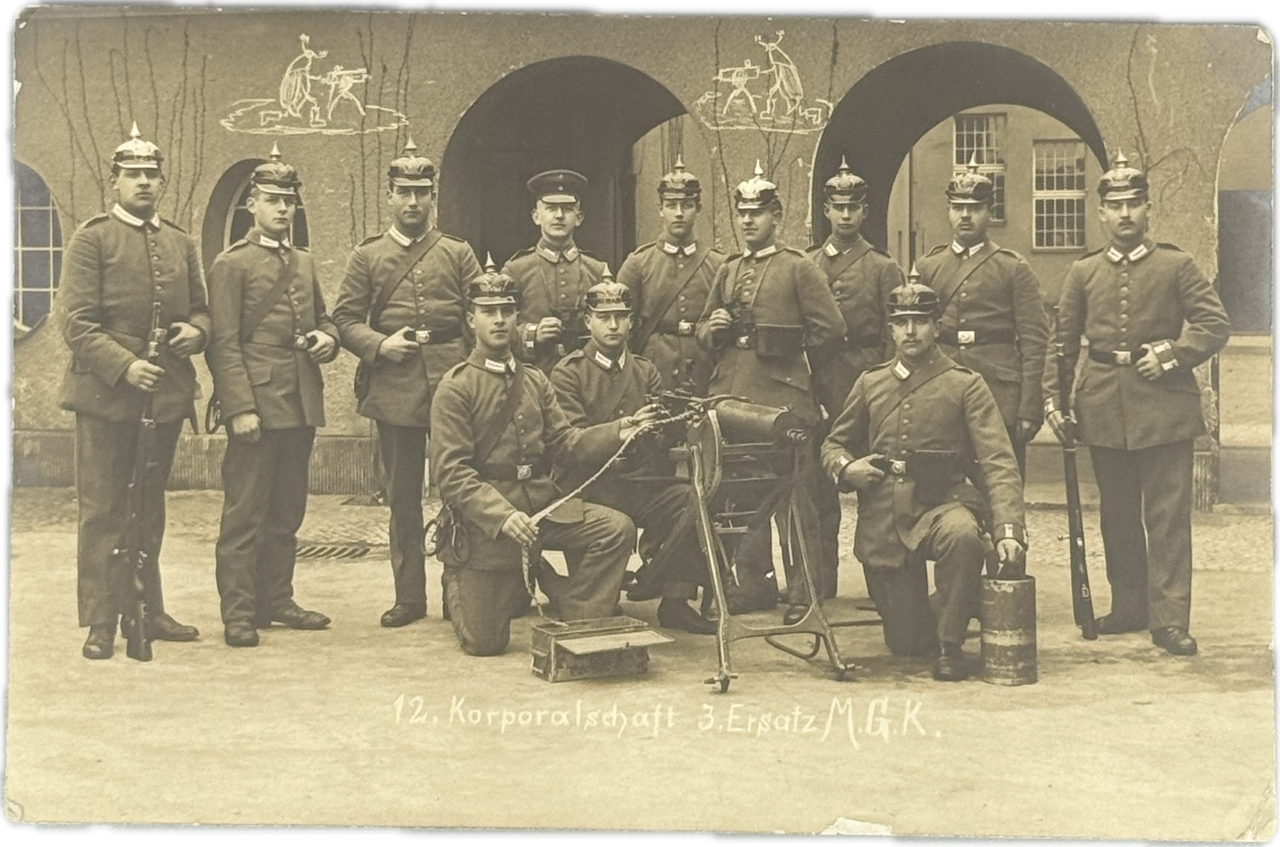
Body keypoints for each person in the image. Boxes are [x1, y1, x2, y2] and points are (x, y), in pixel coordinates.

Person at [1044, 151, 1230, 657]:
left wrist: (1173, 354)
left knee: (1167, 517)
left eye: (1134, 204)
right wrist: (1054, 401)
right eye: (1115, 206)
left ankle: (1169, 619)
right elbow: (1062, 344)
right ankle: (1129, 606)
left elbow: (1215, 324)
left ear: (1148, 210)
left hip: (1166, 406)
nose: (1125, 214)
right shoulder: (1083, 272)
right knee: (1117, 515)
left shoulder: (1177, 265)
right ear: (1100, 213)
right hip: (1103, 403)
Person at [429, 268, 651, 657]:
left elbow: (566, 444)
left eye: (507, 310)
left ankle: (580, 614)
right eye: (488, 311)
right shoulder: (456, 386)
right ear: (471, 319)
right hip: (491, 523)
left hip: (543, 506)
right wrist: (501, 516)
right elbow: (452, 472)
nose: (499, 320)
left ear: (517, 317)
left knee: (615, 528)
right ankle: (457, 578)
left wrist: (617, 430)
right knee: (486, 643)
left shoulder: (534, 380)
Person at [821, 282, 1027, 681]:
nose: (911, 331)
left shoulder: (965, 384)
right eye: (901, 323)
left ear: (936, 327)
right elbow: (834, 443)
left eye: (920, 322)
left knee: (962, 534)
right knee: (907, 642)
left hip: (942, 501)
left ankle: (951, 646)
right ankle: (967, 600)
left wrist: (1008, 529)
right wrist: (847, 468)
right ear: (891, 330)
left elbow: (998, 461)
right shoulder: (871, 383)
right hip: (884, 513)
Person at [57, 122, 207, 660]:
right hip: (104, 397)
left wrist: (198, 332)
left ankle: (146, 609)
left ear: (162, 183)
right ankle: (101, 620)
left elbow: (200, 311)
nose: (143, 182)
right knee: (102, 508)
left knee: (147, 506)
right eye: (132, 174)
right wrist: (125, 368)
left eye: (151, 175)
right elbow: (75, 321)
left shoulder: (181, 242)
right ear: (114, 182)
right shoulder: (92, 239)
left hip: (163, 396)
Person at [332, 139, 482, 628]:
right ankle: (409, 597)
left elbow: (476, 314)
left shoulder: (457, 254)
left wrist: (474, 375)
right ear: (390, 198)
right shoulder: (368, 257)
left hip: (453, 385)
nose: (414, 202)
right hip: (394, 387)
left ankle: (464, 591)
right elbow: (345, 319)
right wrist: (378, 346)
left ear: (432, 197)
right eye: (404, 192)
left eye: (422, 192)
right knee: (402, 498)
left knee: (463, 488)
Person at [695, 161, 846, 615]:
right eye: (742, 213)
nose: (747, 222)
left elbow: (831, 331)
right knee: (741, 493)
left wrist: (793, 365)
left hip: (784, 399)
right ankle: (754, 584)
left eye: (757, 214)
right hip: (733, 395)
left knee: (796, 498)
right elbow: (702, 331)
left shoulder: (798, 268)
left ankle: (805, 592)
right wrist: (713, 328)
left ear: (776, 217)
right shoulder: (728, 269)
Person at [205, 144, 340, 648]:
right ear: (252, 206)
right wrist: (239, 408)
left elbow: (324, 319)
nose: (283, 209)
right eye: (272, 200)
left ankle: (276, 600)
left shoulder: (302, 262)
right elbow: (222, 343)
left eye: (289, 202)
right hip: (257, 405)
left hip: (300, 399)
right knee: (245, 514)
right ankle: (239, 613)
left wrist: (328, 339)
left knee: (287, 511)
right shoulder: (231, 264)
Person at [550, 278, 715, 634]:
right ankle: (570, 589)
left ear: (631, 323)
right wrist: (621, 429)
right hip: (590, 488)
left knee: (691, 499)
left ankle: (675, 599)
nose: (613, 326)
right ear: (588, 322)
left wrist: (672, 424)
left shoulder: (645, 370)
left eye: (621, 317)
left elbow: (660, 440)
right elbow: (570, 445)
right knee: (597, 608)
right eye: (604, 317)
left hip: (637, 483)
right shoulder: (568, 373)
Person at [806, 156, 905, 603]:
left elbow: (893, 336)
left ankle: (881, 585)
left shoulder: (883, 268)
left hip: (865, 382)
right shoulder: (807, 264)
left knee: (875, 490)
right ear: (825, 210)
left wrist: (884, 394)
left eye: (853, 207)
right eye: (837, 207)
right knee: (816, 492)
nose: (845, 215)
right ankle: (818, 586)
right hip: (817, 384)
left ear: (865, 212)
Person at [914, 157, 1049, 476]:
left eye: (974, 208)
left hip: (999, 395)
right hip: (941, 390)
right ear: (948, 211)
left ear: (989, 212)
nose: (965, 215)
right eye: (958, 207)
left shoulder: (1012, 268)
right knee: (943, 484)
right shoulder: (928, 268)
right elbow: (913, 336)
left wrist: (1029, 405)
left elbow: (1034, 341)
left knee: (1000, 484)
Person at [616, 157, 726, 395]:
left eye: (686, 205)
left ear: (698, 209)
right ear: (660, 209)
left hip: (705, 366)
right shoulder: (638, 263)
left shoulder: (718, 264)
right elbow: (622, 327)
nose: (678, 213)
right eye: (671, 205)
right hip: (655, 366)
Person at [504, 169, 607, 374]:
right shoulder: (515, 270)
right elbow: (495, 329)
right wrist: (533, 333)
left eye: (567, 209)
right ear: (536, 216)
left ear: (579, 218)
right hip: (533, 376)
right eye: (551, 208)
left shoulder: (598, 271)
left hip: (587, 377)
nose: (559, 216)